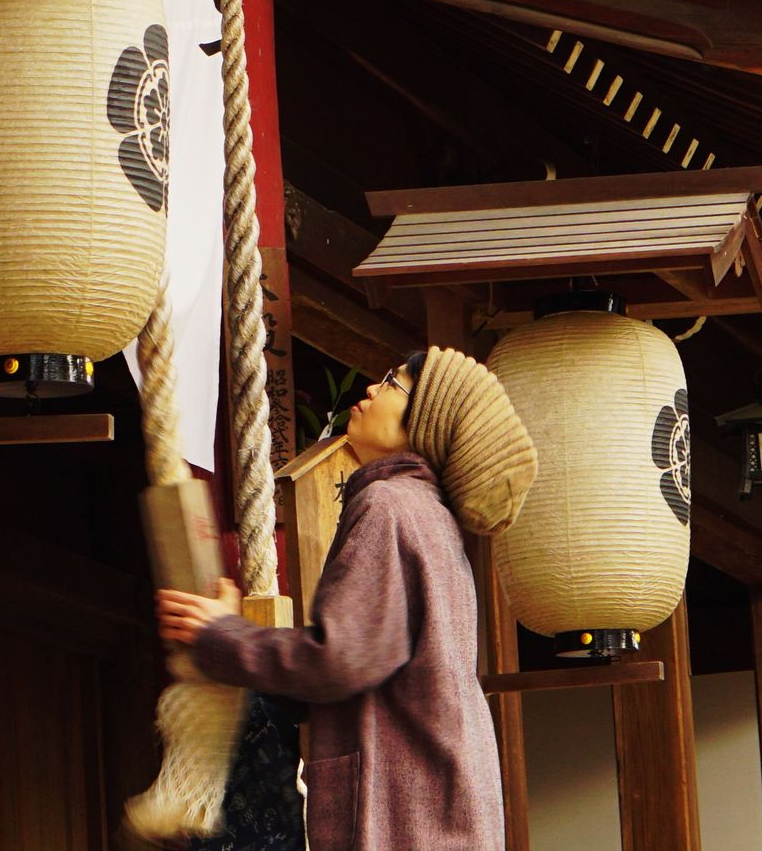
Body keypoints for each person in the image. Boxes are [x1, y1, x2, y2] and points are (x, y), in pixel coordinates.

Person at [158, 349, 538, 851]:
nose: (372, 390)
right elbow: (358, 660)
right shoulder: (431, 521)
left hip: (402, 817)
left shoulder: (389, 506)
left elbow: (338, 660)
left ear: (426, 420)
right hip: (438, 809)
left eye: (392, 383)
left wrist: (220, 638)